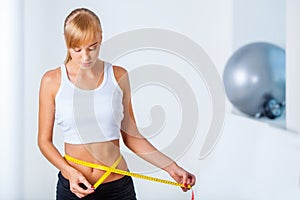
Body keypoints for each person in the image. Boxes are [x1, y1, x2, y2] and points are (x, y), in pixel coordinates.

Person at [38, 7, 196, 200]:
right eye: (77, 49)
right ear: (67, 42)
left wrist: (172, 167)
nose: (85, 57)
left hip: (117, 189)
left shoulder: (118, 76)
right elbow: (44, 141)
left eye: (92, 47)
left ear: (101, 37)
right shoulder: (52, 81)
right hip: (74, 189)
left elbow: (132, 137)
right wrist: (69, 172)